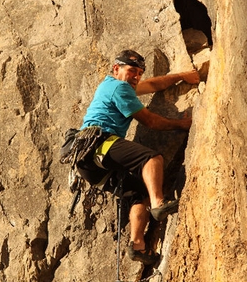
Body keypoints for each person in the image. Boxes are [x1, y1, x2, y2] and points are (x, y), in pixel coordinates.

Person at [77, 49, 200, 264]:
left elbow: (153, 85)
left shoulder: (115, 85)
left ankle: (137, 246)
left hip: (87, 163)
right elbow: (150, 121)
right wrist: (180, 124)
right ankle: (159, 203)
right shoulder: (118, 87)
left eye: (140, 72)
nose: (137, 76)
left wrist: (180, 77)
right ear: (116, 68)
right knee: (151, 159)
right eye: (132, 70)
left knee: (138, 194)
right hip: (99, 144)